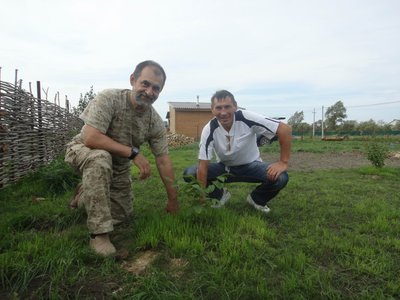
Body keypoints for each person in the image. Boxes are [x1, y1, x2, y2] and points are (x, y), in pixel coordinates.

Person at [65, 60, 179, 256]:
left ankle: (84, 194)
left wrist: (173, 199)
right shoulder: (109, 98)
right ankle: (98, 235)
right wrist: (133, 153)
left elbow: (163, 160)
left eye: (156, 88)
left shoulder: (154, 121)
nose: (149, 92)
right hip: (82, 150)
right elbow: (91, 138)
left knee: (122, 214)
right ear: (133, 80)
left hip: (118, 166)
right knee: (100, 158)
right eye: (145, 83)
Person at [183, 90, 291, 213]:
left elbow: (285, 129)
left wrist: (283, 162)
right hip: (225, 169)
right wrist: (201, 196)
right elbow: (203, 165)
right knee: (190, 173)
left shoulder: (247, 117)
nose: (223, 112)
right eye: (218, 108)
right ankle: (219, 195)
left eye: (227, 107)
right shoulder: (209, 129)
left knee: (281, 177)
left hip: (252, 166)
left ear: (235, 106)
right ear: (212, 110)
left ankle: (257, 199)